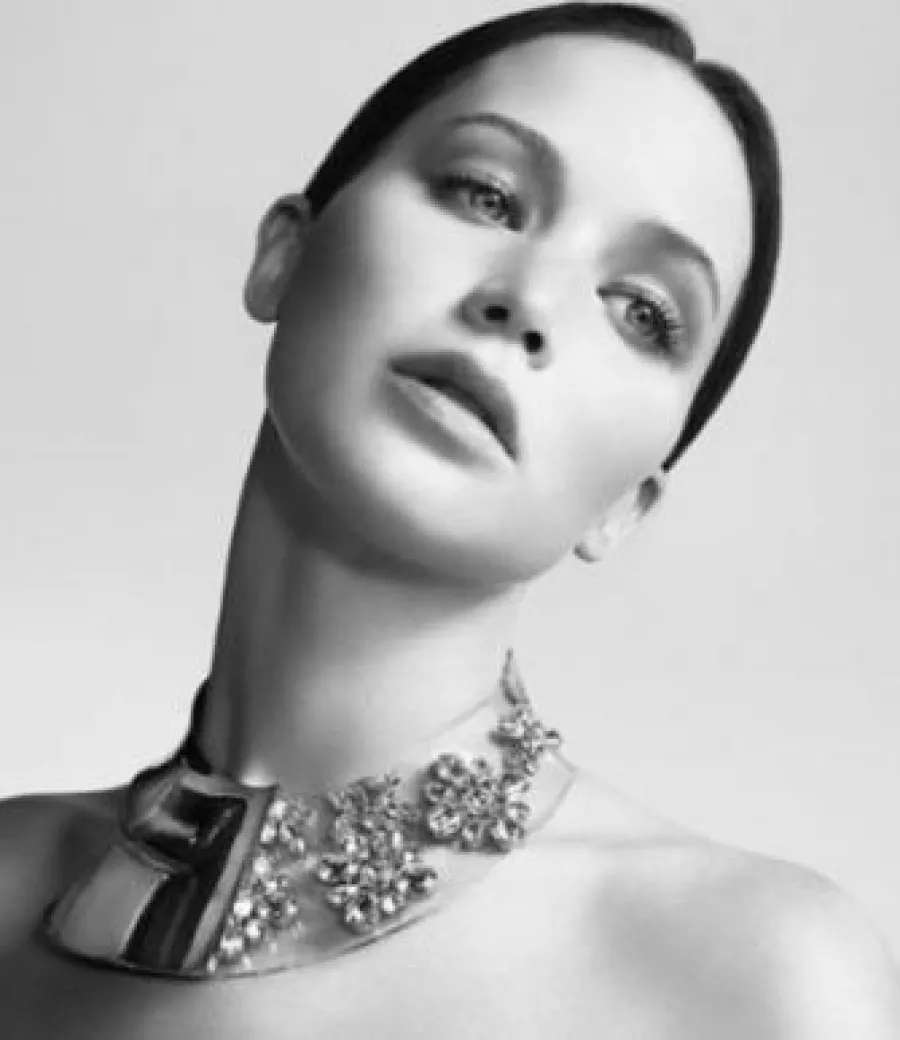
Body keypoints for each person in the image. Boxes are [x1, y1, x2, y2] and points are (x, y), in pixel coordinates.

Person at [2, 2, 898, 1036]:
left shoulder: (759, 976)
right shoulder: (10, 875)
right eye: (487, 194)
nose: (529, 300)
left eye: (643, 311)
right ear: (283, 253)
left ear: (627, 503)